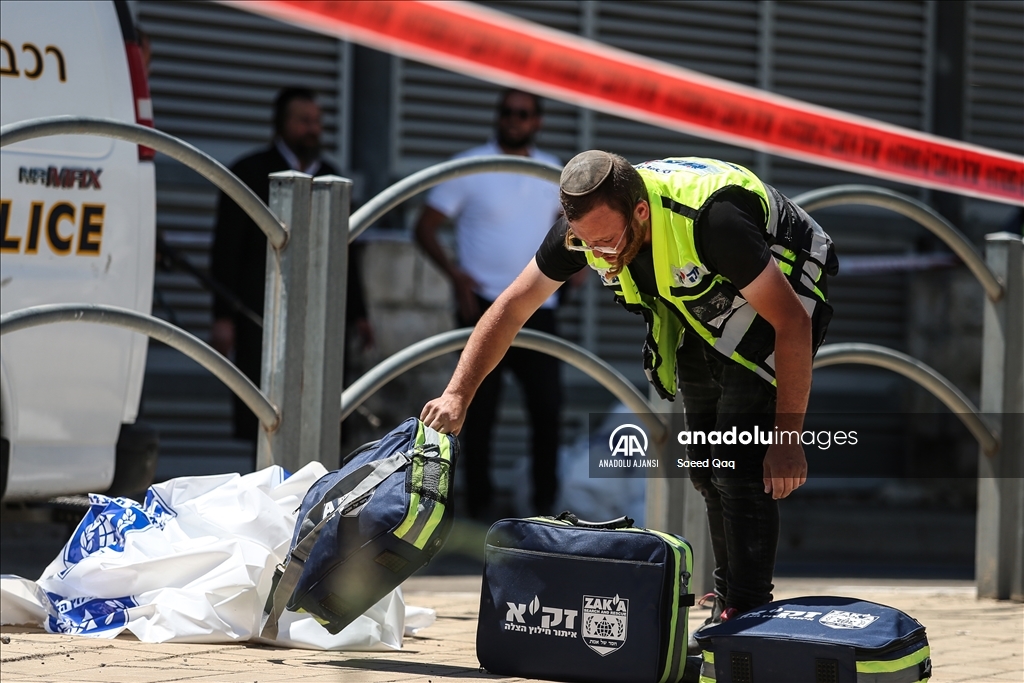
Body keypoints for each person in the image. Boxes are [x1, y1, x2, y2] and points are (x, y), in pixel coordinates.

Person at [420, 151, 837, 650]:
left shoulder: (714, 223)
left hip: (781, 290)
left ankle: (747, 616)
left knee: (739, 466)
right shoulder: (587, 232)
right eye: (587, 244)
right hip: (702, 301)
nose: (601, 255)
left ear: (640, 211)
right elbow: (510, 308)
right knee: (706, 467)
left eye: (608, 241)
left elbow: (792, 323)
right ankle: (729, 600)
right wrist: (457, 394)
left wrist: (788, 439)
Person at [414, 89, 563, 519]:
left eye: (524, 113)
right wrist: (455, 274)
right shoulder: (472, 165)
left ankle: (546, 509)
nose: (514, 119)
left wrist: (571, 275)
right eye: (507, 112)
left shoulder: (551, 170)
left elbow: (570, 225)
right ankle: (474, 508)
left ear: (537, 121)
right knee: (476, 411)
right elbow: (425, 227)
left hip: (540, 308)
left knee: (547, 410)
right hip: (482, 305)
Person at [211, 87, 371, 448]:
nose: (313, 129)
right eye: (303, 121)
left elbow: (347, 251)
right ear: (281, 125)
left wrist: (360, 312)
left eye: (316, 122)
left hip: (322, 312)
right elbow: (226, 250)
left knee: (323, 401)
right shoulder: (249, 172)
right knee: (267, 409)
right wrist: (223, 316)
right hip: (261, 310)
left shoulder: (331, 178)